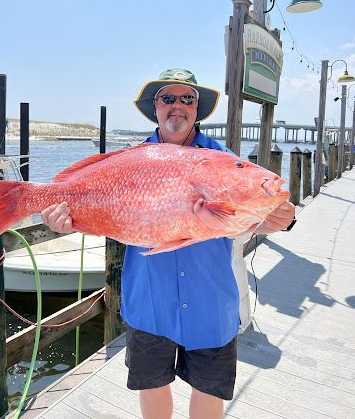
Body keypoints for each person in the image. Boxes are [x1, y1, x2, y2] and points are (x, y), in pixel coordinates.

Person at [41, 69, 295, 419]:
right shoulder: (132, 159)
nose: (178, 105)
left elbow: (250, 217)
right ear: (156, 107)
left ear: (197, 108)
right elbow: (108, 211)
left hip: (211, 302)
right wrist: (64, 219)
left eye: (187, 98)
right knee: (151, 385)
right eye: (168, 98)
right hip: (150, 300)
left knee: (209, 390)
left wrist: (283, 217)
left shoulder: (221, 158)